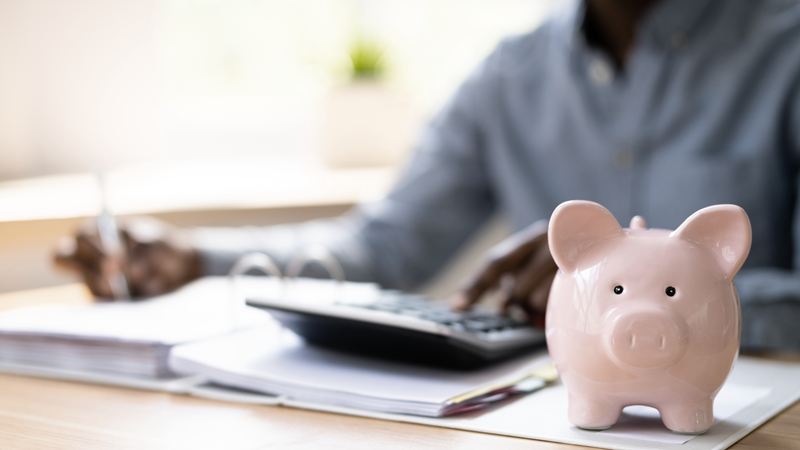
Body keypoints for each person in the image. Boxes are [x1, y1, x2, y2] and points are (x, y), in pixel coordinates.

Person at [56, 0, 800, 350]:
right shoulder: (510, 74)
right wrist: (195, 260)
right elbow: (382, 246)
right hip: (545, 414)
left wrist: (642, 285)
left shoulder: (785, 48)